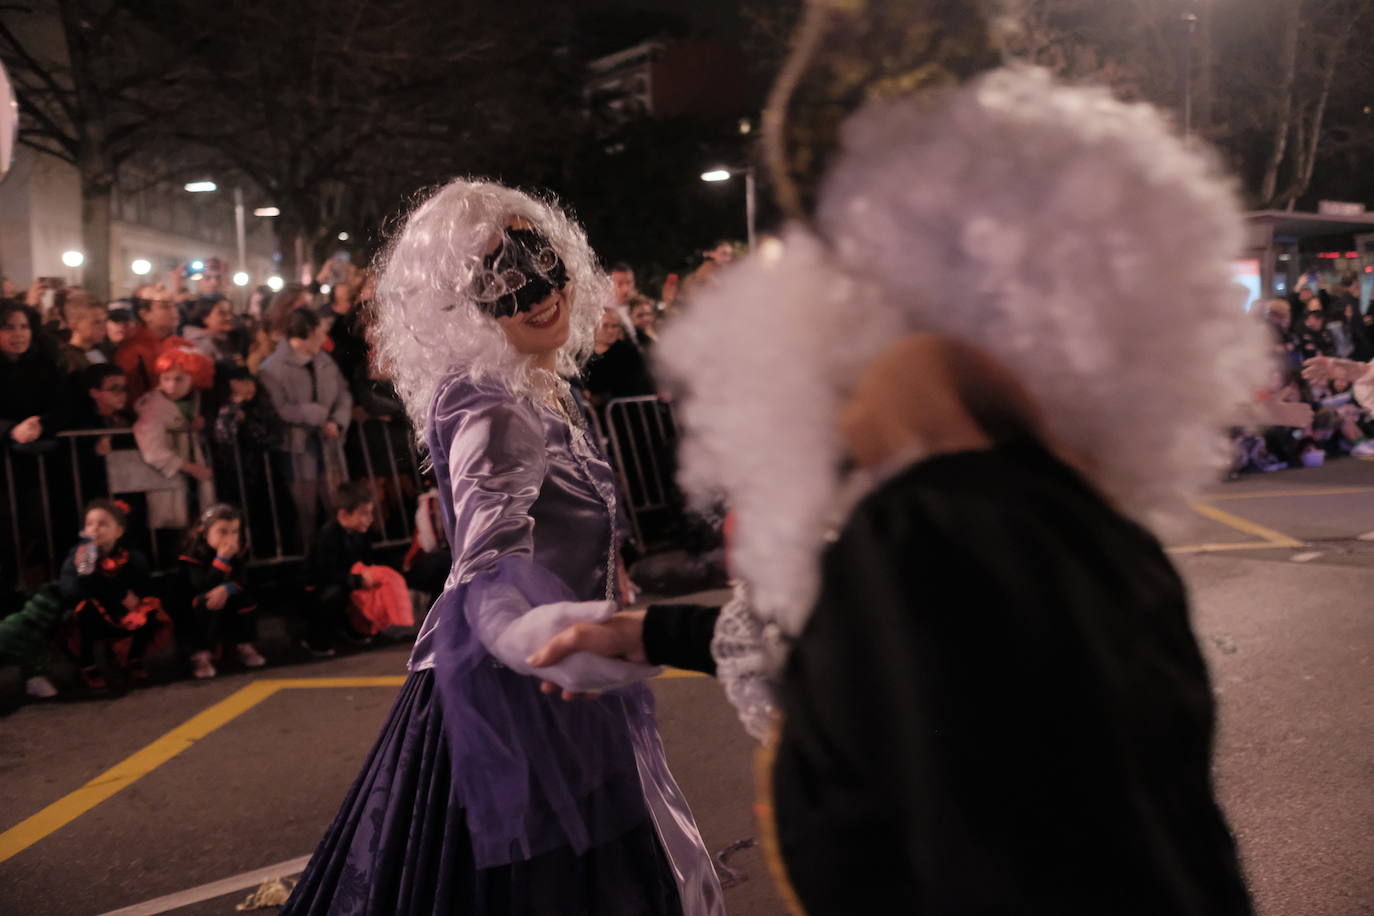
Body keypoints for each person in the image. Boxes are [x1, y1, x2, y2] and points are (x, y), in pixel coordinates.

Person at [531, 7, 1261, 912]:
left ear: (888, 282)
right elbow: (845, 649)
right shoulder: (1052, 524)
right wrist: (641, 633)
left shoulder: (931, 539)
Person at [282, 179, 721, 916]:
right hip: (515, 687)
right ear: (459, 303)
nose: (537, 295)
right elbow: (487, 560)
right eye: (500, 281)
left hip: (563, 666)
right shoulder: (489, 398)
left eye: (541, 264)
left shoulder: (543, 383)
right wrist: (531, 633)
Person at [258, 307, 352, 552]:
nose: (324, 338)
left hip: (330, 444)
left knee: (337, 501)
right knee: (305, 510)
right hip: (297, 448)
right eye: (319, 333)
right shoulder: (272, 368)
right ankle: (310, 558)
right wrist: (317, 415)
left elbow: (343, 393)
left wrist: (337, 421)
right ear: (305, 334)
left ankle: (342, 553)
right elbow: (279, 408)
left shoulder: (324, 360)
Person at [59, 499, 168, 690]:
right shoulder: (79, 556)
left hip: (122, 614)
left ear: (118, 531)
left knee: (150, 608)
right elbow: (72, 591)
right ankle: (88, 665)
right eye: (90, 523)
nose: (95, 529)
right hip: (94, 615)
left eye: (102, 524)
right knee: (85, 610)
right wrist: (117, 593)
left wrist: (134, 599)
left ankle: (132, 657)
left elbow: (143, 586)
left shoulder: (130, 557)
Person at [133, 346, 216, 535]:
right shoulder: (152, 407)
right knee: (173, 528)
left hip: (192, 476)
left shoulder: (197, 401)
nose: (171, 386)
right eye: (166, 378)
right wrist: (191, 467)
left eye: (179, 379)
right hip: (170, 477)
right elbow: (153, 450)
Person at [177, 503, 263, 679]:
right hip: (196, 604)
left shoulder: (237, 551)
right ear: (204, 531)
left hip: (226, 598)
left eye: (234, 532)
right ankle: (201, 655)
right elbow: (201, 584)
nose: (230, 537)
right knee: (206, 602)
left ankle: (243, 645)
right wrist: (221, 560)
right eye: (222, 532)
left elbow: (242, 578)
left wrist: (227, 588)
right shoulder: (192, 554)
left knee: (245, 598)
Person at [299, 480, 380, 655]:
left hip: (344, 581)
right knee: (334, 594)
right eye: (364, 514)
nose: (370, 519)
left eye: (370, 513)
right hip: (318, 589)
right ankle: (314, 637)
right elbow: (324, 573)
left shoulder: (360, 534)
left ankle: (350, 628)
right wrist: (357, 580)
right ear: (344, 514)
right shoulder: (329, 535)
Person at [116, 286, 184, 403]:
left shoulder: (179, 343)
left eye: (174, 306)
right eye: (165, 307)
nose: (174, 312)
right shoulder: (131, 349)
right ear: (144, 315)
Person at [58, 292, 109, 373]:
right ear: (74, 326)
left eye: (104, 321)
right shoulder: (66, 360)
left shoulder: (99, 351)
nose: (104, 327)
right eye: (96, 322)